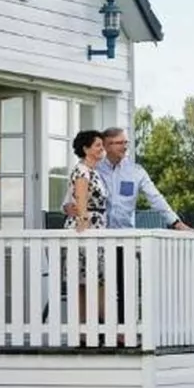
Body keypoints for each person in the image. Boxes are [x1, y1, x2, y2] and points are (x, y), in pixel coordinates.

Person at [64, 126, 192, 231]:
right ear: (106, 145)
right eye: (120, 143)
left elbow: (156, 198)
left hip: (125, 238)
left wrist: (176, 223)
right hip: (100, 234)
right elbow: (73, 197)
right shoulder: (92, 169)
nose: (125, 146)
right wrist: (67, 207)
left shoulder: (136, 172)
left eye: (126, 142)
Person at [65, 130, 108, 334]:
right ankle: (87, 329)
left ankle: (89, 328)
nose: (102, 149)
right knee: (88, 279)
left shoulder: (94, 171)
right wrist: (83, 223)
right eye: (98, 145)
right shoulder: (82, 171)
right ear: (86, 149)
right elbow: (81, 200)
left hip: (98, 224)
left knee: (93, 279)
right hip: (87, 227)